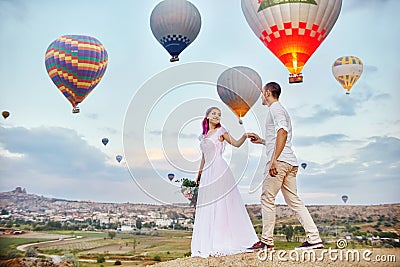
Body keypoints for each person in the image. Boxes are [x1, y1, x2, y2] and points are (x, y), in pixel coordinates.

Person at [247, 82, 323, 251]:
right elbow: (280, 138)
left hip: (279, 162)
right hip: (290, 162)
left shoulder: (275, 109)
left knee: (267, 198)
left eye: (262, 93)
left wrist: (274, 159)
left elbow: (283, 133)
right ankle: (314, 238)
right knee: (295, 201)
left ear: (267, 93)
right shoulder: (281, 110)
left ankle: (266, 241)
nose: (261, 97)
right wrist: (262, 141)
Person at [191, 107, 259, 258]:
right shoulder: (202, 136)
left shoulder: (222, 132)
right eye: (214, 113)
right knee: (208, 205)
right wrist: (199, 174)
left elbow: (235, 144)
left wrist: (245, 135)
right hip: (208, 172)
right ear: (207, 116)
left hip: (219, 170)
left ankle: (222, 240)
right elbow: (203, 157)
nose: (217, 116)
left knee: (221, 204)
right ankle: (208, 241)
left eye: (219, 114)